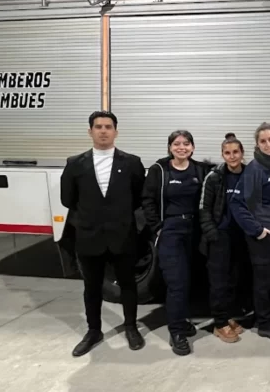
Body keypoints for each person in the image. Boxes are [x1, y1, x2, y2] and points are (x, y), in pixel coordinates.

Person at [60, 110, 146, 357]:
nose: (103, 130)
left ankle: (131, 327)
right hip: (89, 236)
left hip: (122, 235)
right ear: (90, 132)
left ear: (116, 132)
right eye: (98, 126)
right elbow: (67, 199)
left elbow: (139, 196)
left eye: (108, 126)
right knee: (92, 287)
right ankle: (94, 331)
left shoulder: (131, 163)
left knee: (128, 285)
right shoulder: (75, 164)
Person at [142, 130, 213, 356]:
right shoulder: (160, 170)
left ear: (192, 147)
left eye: (186, 143)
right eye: (176, 144)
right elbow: (147, 200)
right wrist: (157, 228)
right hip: (171, 231)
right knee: (177, 282)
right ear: (170, 147)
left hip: (193, 231)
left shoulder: (199, 170)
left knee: (189, 280)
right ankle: (177, 332)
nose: (181, 147)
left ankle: (181, 321)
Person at [229, 122, 270, 342]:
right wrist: (256, 230)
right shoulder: (255, 169)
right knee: (264, 282)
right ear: (257, 144)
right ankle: (264, 323)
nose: (267, 145)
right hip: (264, 237)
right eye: (262, 141)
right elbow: (237, 203)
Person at [198, 132, 253, 343]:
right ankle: (219, 324)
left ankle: (228, 316)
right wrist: (212, 234)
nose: (232, 156)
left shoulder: (249, 175)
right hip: (220, 238)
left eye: (235, 152)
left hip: (241, 238)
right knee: (219, 282)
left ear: (242, 153)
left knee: (233, 280)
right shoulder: (214, 177)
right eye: (227, 153)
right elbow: (204, 208)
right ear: (222, 154)